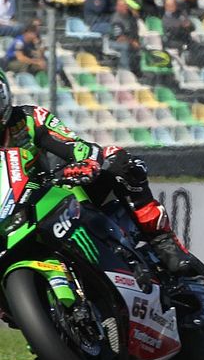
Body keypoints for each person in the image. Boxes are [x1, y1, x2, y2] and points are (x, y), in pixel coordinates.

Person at [0, 69, 193, 275]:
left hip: (53, 192)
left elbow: (78, 147)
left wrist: (85, 162)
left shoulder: (30, 120)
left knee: (116, 160)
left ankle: (161, 240)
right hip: (9, 218)